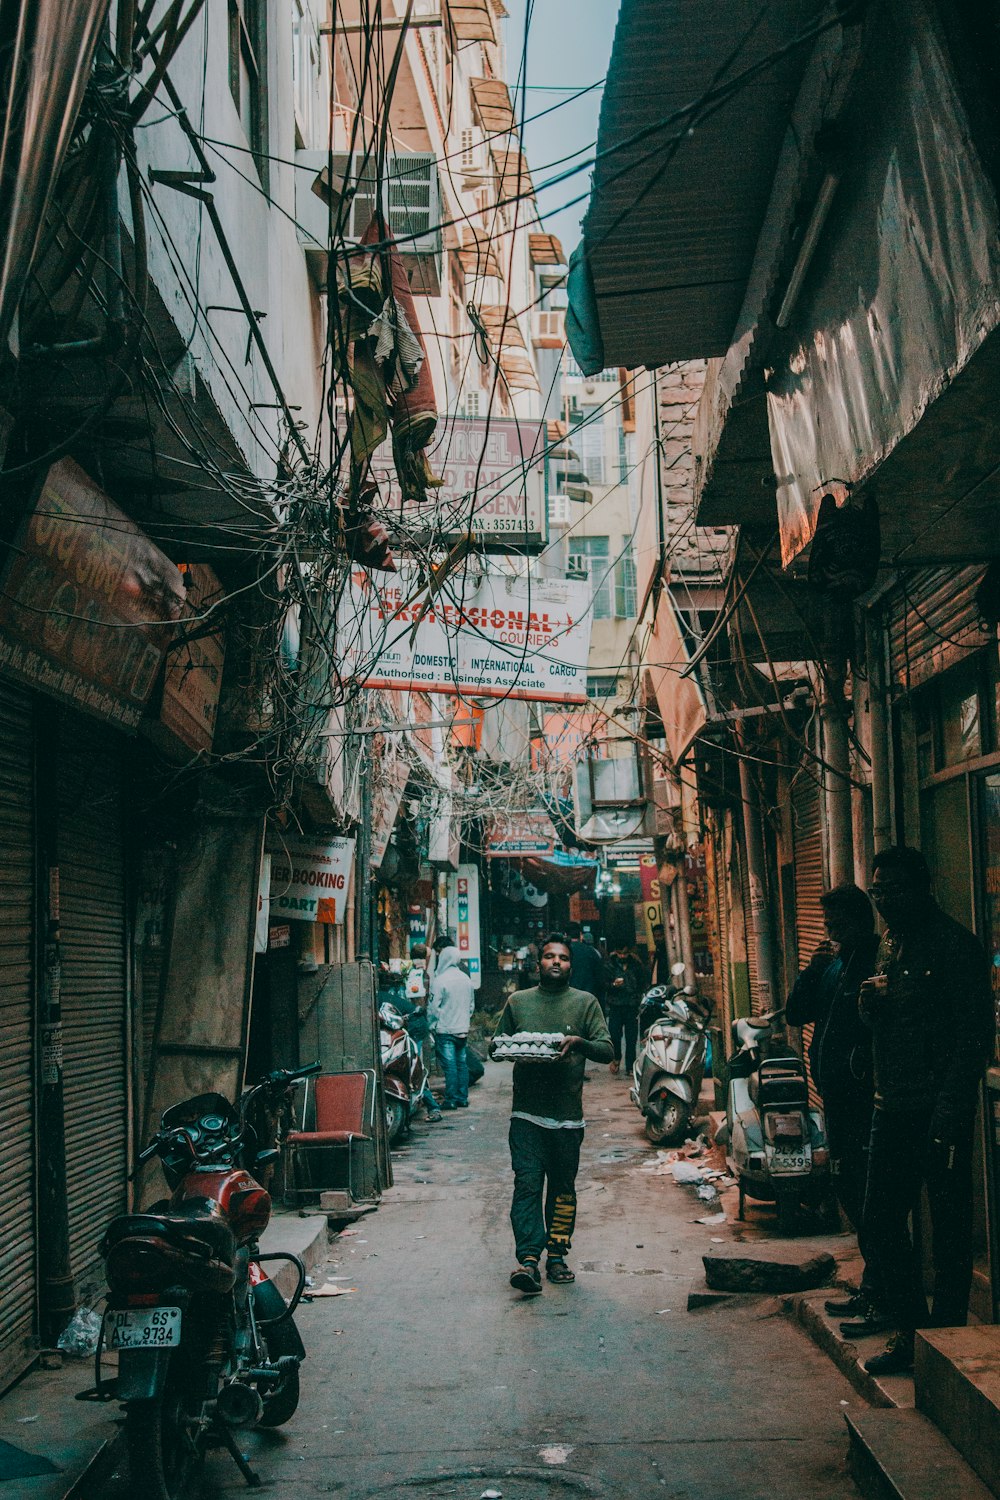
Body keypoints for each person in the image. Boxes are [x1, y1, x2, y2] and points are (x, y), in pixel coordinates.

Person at [856, 846, 994, 1375]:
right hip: (891, 1106)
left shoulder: (956, 946)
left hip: (938, 1110)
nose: (885, 900)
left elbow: (973, 1039)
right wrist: (869, 1010)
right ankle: (914, 1333)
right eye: (878, 891)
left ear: (923, 887)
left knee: (950, 1230)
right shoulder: (891, 945)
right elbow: (889, 1024)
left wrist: (950, 1112)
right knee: (881, 1221)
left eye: (894, 889)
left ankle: (948, 1339)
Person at [491, 933, 613, 1295]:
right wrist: (501, 1049)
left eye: (562, 957)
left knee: (562, 1192)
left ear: (571, 965)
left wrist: (580, 1044)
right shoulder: (518, 1002)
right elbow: (499, 1045)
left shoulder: (585, 1003)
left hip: (566, 1118)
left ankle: (557, 1256)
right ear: (538, 963)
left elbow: (606, 1050)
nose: (556, 962)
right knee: (526, 1186)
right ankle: (528, 1260)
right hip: (526, 1115)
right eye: (548, 956)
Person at [785, 884, 878, 1326]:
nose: (834, 932)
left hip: (864, 1103)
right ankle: (873, 1286)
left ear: (863, 921)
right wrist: (812, 967)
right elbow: (795, 1013)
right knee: (850, 1191)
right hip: (836, 1101)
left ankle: (881, 1291)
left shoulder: (874, 962)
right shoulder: (834, 965)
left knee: (868, 1198)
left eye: (840, 925)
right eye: (830, 926)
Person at [427, 945, 476, 1111]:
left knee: (450, 1067)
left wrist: (432, 1025)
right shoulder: (466, 979)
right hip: (462, 1029)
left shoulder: (439, 980)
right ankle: (462, 1098)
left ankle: (451, 1100)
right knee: (461, 1064)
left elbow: (433, 1008)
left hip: (445, 1029)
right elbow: (471, 1006)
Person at [603, 941, 649, 1075]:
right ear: (615, 952)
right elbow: (604, 983)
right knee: (614, 1035)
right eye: (620, 953)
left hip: (631, 1005)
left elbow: (642, 983)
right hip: (615, 1005)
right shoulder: (610, 964)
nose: (622, 956)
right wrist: (613, 985)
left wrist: (637, 996)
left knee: (631, 1038)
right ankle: (616, 1057)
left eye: (625, 953)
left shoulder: (636, 965)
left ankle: (630, 1066)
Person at [567, 921, 604, 1008]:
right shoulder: (592, 952)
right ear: (580, 934)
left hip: (567, 998)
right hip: (588, 997)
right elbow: (600, 979)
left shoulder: (562, 952)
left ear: (565, 935)